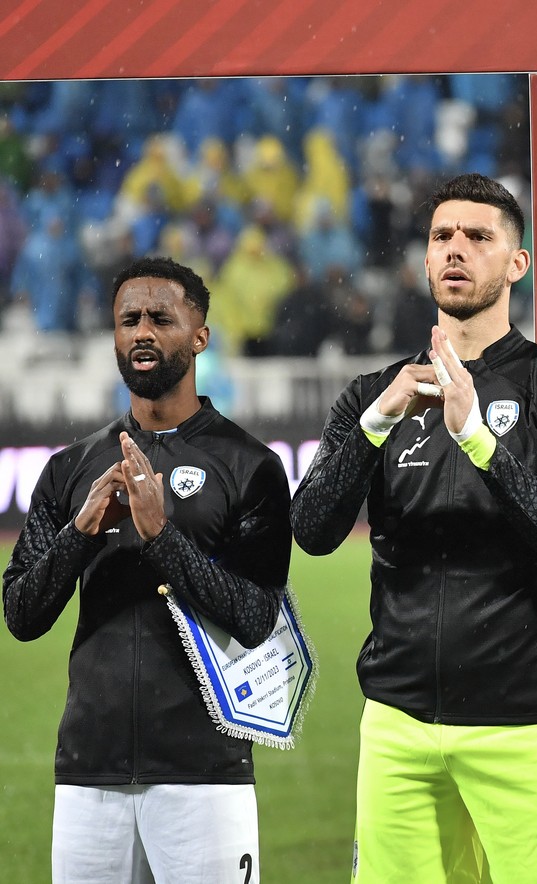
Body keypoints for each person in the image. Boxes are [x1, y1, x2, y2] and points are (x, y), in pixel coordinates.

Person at [290, 173, 537, 883]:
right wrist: (378, 420)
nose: (456, 250)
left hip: (523, 722)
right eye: (442, 237)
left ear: (516, 263)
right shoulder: (372, 394)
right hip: (398, 724)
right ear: (425, 259)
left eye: (478, 236)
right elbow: (312, 530)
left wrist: (477, 438)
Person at [3, 256, 291, 883]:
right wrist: (80, 532)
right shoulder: (70, 468)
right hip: (89, 772)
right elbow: (22, 614)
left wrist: (162, 537)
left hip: (205, 774)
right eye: (128, 319)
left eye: (161, 318)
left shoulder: (251, 467)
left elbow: (256, 618)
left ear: (199, 336)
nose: (142, 331)